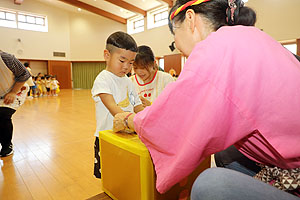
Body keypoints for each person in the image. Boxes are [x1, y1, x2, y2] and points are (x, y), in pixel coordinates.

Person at [113, 0, 300, 198]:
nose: (176, 44)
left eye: (174, 33)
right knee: (225, 152)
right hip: (290, 158)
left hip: (293, 170)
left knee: (209, 184)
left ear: (191, 20)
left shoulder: (216, 49)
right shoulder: (250, 35)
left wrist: (127, 119)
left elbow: (175, 118)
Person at [91, 31, 144, 179]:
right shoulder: (103, 80)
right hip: (108, 137)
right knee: (110, 176)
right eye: (122, 61)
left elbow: (137, 105)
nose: (127, 67)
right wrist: (136, 122)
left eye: (131, 63)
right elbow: (114, 109)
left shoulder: (128, 81)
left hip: (127, 136)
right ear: (107, 55)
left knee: (124, 175)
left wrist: (148, 116)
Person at [0, 50, 30, 157]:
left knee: (3, 115)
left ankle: (7, 145)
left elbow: (24, 74)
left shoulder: (6, 58)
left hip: (15, 91)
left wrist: (13, 92)